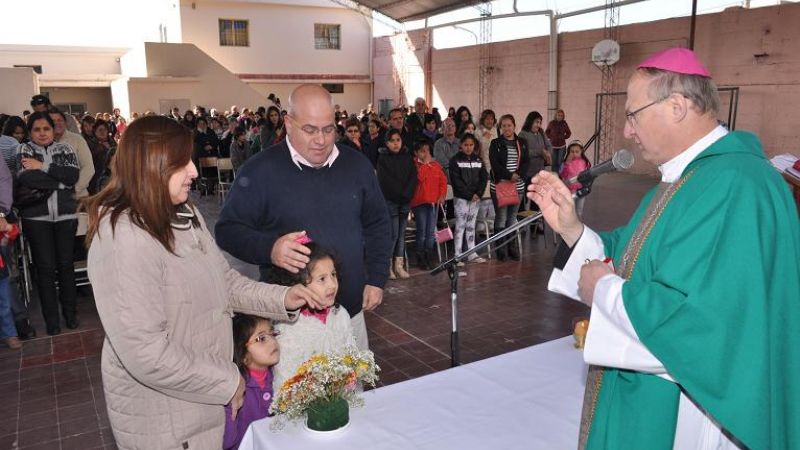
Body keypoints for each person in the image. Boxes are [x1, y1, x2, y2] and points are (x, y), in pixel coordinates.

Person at [529, 47, 800, 450]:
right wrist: (571, 228)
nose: (628, 132)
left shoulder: (737, 184)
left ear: (676, 106)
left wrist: (603, 290)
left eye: (633, 115)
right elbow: (633, 255)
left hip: (694, 410)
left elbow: (701, 326)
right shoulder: (689, 177)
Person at [85, 115, 328, 450]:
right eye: (181, 163)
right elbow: (146, 354)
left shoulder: (184, 214)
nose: (195, 171)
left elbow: (224, 283)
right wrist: (227, 381)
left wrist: (285, 297)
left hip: (202, 398)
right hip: (167, 418)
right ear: (152, 167)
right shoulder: (123, 239)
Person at [215, 84, 392, 351]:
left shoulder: (357, 165)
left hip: (349, 313)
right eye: (310, 130)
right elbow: (227, 230)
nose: (321, 140)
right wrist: (270, 248)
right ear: (288, 123)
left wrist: (377, 278)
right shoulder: (260, 171)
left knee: (354, 379)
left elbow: (378, 223)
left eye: (328, 129)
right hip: (291, 323)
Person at [16, 112, 81, 335]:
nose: (42, 133)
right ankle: (52, 322)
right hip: (36, 219)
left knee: (66, 267)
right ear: (30, 132)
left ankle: (71, 316)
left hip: (65, 217)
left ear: (54, 130)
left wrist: (42, 166)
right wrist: (61, 183)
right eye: (37, 129)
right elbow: (27, 178)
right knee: (45, 269)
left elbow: (72, 177)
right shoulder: (24, 150)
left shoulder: (66, 149)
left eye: (46, 128)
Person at [264, 243, 356, 391]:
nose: (332, 285)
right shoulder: (288, 328)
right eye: (322, 279)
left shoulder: (340, 314)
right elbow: (286, 382)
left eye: (333, 275)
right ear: (298, 284)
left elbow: (351, 356)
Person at [223, 314, 280, 450]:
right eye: (261, 338)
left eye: (273, 334)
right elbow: (226, 442)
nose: (273, 341)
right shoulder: (235, 391)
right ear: (242, 355)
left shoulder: (279, 377)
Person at [377, 129, 418, 279]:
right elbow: (384, 181)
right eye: (392, 141)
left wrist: (407, 194)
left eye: (398, 140)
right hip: (391, 201)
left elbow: (413, 177)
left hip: (405, 201)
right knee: (393, 235)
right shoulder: (383, 158)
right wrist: (400, 194)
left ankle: (398, 266)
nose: (395, 143)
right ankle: (387, 267)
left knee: (401, 235)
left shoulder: (407, 157)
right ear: (387, 143)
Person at [489, 114, 529, 261]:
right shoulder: (495, 143)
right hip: (501, 186)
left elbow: (526, 162)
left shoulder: (522, 142)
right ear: (500, 127)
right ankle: (501, 249)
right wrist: (509, 175)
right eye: (503, 126)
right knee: (501, 218)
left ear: (514, 126)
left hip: (518, 186)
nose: (507, 128)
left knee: (512, 218)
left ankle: (512, 247)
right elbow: (495, 164)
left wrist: (518, 175)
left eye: (509, 125)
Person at [449, 134, 488, 264]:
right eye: (466, 145)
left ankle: (472, 253)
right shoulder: (455, 160)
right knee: (460, 226)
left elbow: (483, 178)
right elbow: (456, 181)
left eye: (471, 145)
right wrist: (470, 195)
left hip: (475, 199)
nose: (468, 147)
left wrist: (478, 193)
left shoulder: (478, 160)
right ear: (461, 145)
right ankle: (457, 255)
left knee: (471, 226)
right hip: (461, 199)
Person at [410, 139, 447, 270]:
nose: (426, 154)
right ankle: (420, 257)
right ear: (416, 153)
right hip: (419, 203)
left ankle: (429, 255)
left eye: (427, 151)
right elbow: (419, 179)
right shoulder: (414, 166)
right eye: (422, 151)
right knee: (422, 232)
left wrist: (442, 195)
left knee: (431, 232)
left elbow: (443, 181)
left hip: (433, 203)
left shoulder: (436, 165)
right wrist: (425, 165)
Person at [48, 108, 94, 199]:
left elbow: (88, 168)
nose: (57, 123)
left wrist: (74, 189)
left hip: (78, 196)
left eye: (60, 120)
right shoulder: (43, 142)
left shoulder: (77, 140)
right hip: (52, 199)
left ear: (65, 123)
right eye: (53, 121)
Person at [559, 140, 591, 217]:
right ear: (568, 152)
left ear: (581, 151)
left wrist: (587, 185)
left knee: (579, 210)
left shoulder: (585, 162)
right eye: (572, 152)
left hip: (582, 189)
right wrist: (567, 163)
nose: (574, 154)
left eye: (577, 151)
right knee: (570, 210)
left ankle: (577, 223)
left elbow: (588, 175)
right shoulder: (565, 163)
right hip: (570, 190)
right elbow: (562, 175)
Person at [88, 120, 116, 195]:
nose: (103, 132)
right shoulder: (91, 144)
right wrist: (101, 148)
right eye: (100, 130)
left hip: (112, 177)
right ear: (95, 131)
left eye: (105, 129)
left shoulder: (112, 142)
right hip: (96, 178)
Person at [545, 108, 571, 175]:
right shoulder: (551, 123)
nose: (560, 117)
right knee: (554, 162)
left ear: (563, 116)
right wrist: (551, 137)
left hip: (562, 146)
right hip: (553, 146)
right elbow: (546, 133)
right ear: (556, 115)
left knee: (560, 162)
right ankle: (554, 176)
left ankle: (560, 175)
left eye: (561, 116)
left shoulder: (564, 124)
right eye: (558, 115)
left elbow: (569, 133)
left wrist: (564, 137)